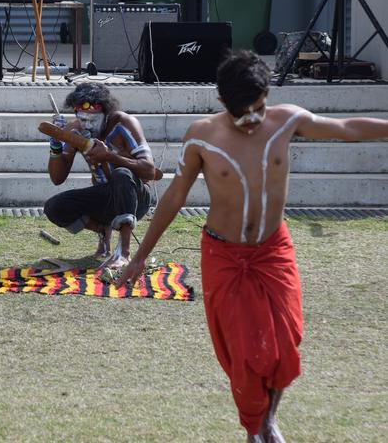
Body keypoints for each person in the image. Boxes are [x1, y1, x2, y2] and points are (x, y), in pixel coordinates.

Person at [115, 50, 388, 442]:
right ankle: (257, 430)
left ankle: (268, 420)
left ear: (267, 96)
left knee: (285, 342)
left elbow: (345, 126)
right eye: (242, 112)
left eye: (259, 108)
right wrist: (140, 257)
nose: (252, 120)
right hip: (225, 255)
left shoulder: (287, 121)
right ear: (223, 102)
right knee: (247, 354)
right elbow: (174, 197)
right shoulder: (202, 137)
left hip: (273, 251)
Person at [43, 83, 156, 268]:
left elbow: (150, 171)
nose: (87, 125)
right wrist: (57, 141)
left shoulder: (124, 124)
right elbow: (57, 178)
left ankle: (124, 252)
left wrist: (110, 156)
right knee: (54, 207)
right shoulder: (76, 130)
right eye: (83, 119)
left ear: (106, 113)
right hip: (104, 198)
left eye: (93, 120)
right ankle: (102, 229)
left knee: (121, 175)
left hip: (136, 198)